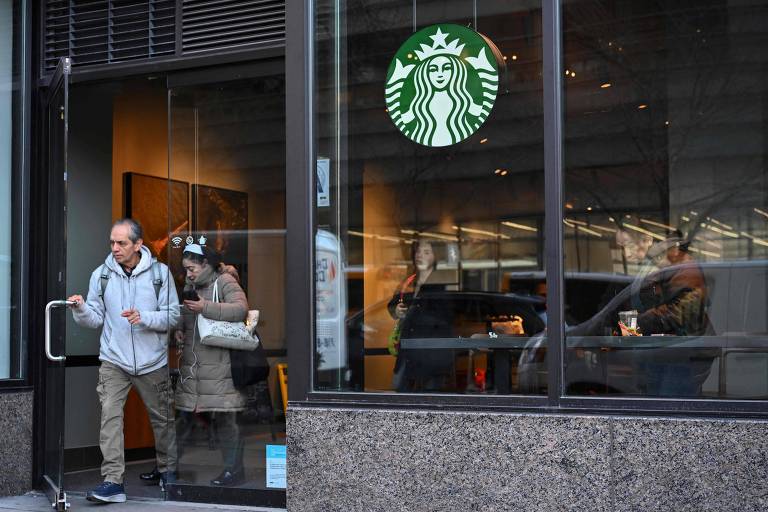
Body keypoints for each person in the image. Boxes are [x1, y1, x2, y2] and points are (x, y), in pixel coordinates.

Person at [68, 218, 179, 503]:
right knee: (110, 418)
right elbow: (95, 319)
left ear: (138, 244)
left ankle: (168, 471)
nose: (115, 248)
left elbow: (174, 315)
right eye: (112, 242)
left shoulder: (160, 274)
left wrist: (146, 318)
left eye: (122, 243)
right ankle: (113, 481)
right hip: (113, 360)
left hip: (152, 360)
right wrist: (81, 309)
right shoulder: (101, 275)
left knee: (163, 418)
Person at [174, 244, 249, 486]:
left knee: (225, 420)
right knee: (184, 418)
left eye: (192, 268)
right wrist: (179, 332)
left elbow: (241, 309)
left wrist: (205, 306)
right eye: (186, 270)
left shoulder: (225, 281)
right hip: (194, 364)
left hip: (221, 365)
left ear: (206, 263)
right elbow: (188, 317)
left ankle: (233, 470)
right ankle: (169, 468)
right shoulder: (191, 286)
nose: (189, 274)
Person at [387, 239, 451, 391]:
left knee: (429, 395)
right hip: (408, 349)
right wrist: (396, 310)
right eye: (418, 251)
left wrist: (412, 313)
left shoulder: (441, 281)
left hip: (431, 350)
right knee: (399, 389)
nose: (420, 255)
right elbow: (392, 303)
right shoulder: (409, 281)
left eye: (426, 252)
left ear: (435, 257)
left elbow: (444, 316)